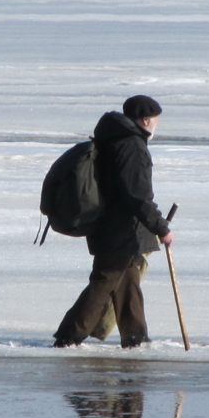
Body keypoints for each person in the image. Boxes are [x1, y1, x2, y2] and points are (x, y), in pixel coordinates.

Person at [53, 95, 173, 348]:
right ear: (146, 119)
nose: (157, 126)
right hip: (121, 228)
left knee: (127, 283)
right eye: (156, 121)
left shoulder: (114, 139)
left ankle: (136, 338)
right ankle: (68, 337)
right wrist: (161, 227)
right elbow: (137, 194)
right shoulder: (131, 145)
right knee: (104, 282)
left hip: (112, 225)